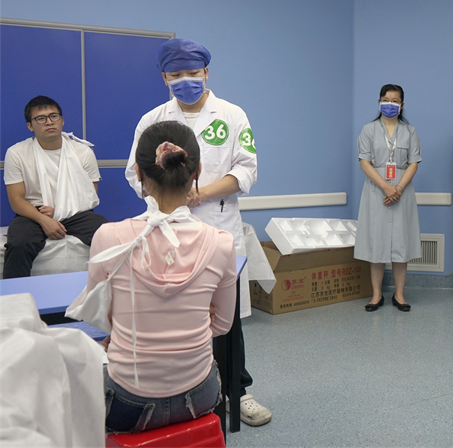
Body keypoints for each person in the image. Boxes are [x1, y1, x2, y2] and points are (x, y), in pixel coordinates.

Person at [124, 39, 271, 427]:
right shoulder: (152, 119)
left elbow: (246, 170)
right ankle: (177, 393)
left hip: (219, 226)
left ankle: (238, 392)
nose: (185, 80)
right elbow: (133, 173)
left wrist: (199, 194)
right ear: (164, 78)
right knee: (173, 314)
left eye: (193, 73)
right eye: (176, 75)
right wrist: (170, 197)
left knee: (226, 318)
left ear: (206, 73)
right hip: (167, 229)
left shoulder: (232, 114)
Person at [85, 121, 237, 433]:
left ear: (138, 174)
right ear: (197, 171)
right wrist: (186, 321)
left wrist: (134, 327)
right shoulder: (221, 242)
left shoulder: (108, 237)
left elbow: (99, 317)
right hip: (199, 394)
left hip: (127, 402)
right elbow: (222, 325)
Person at [3, 96, 108, 279]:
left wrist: (59, 210)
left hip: (75, 210)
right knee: (19, 243)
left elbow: (90, 195)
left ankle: (114, 292)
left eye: (54, 116)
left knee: (108, 236)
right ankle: (14, 296)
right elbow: (16, 199)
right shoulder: (16, 153)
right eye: (40, 118)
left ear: (62, 120)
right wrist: (43, 219)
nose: (49, 122)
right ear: (30, 126)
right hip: (33, 213)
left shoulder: (83, 152)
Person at [354, 84, 422, 312]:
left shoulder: (410, 131)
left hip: (402, 192)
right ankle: (376, 295)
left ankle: (399, 294)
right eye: (385, 99)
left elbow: (413, 163)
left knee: (401, 243)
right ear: (379, 102)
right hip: (376, 191)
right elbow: (364, 163)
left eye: (394, 101)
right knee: (376, 244)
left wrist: (398, 188)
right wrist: (385, 187)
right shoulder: (368, 130)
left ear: (402, 105)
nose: (389, 104)